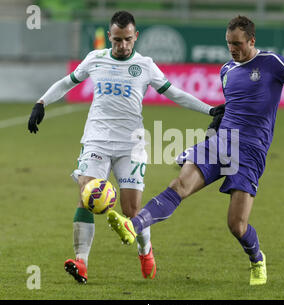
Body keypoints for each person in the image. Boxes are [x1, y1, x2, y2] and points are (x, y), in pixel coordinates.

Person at [105, 15, 284, 285]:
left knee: (236, 225)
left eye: (238, 44)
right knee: (180, 184)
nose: (233, 49)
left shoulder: (271, 62)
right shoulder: (227, 70)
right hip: (219, 143)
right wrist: (217, 123)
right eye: (229, 43)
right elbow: (237, 105)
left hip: (251, 152)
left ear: (252, 40)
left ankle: (257, 259)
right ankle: (133, 225)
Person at [27, 10, 224, 284]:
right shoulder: (95, 59)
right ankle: (81, 262)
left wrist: (210, 109)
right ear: (109, 36)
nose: (122, 46)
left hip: (130, 146)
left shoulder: (145, 65)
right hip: (96, 139)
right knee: (87, 195)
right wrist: (41, 103)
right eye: (117, 40)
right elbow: (67, 82)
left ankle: (145, 251)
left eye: (127, 40)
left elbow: (175, 93)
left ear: (136, 37)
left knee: (131, 211)